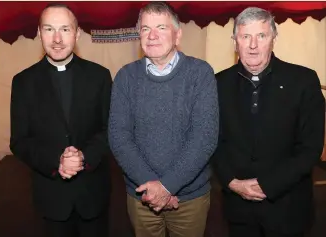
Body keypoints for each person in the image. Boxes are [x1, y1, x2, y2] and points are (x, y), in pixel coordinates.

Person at [212, 7, 325, 237]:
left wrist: (268, 185)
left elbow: (311, 148)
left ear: (273, 39)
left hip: (288, 208)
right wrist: (232, 182)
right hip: (238, 210)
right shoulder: (217, 83)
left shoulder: (304, 81)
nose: (253, 45)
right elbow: (212, 141)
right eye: (245, 36)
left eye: (261, 36)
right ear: (235, 42)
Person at [108, 2, 219, 237]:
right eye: (145, 29)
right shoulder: (125, 77)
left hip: (189, 199)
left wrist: (168, 186)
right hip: (142, 194)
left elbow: (204, 137)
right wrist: (154, 187)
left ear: (177, 35)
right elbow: (119, 137)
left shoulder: (201, 74)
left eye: (161, 27)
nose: (152, 36)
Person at [10, 3, 112, 237]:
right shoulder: (23, 82)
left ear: (77, 34)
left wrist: (84, 156)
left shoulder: (99, 76)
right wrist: (56, 162)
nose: (57, 38)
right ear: (38, 34)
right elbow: (19, 140)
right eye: (49, 29)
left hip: (93, 195)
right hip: (51, 197)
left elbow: (111, 129)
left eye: (65, 29)